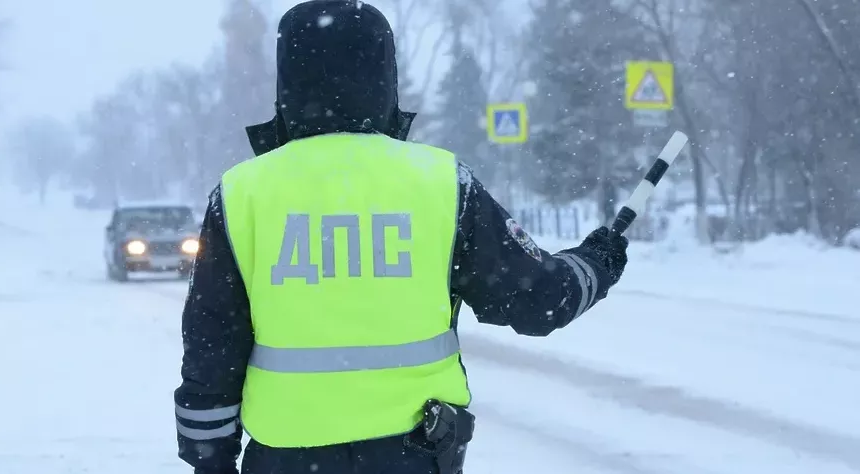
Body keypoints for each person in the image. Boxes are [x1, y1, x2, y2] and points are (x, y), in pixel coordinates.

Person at [173, 1, 629, 473]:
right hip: (414, 453)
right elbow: (539, 300)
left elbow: (211, 343)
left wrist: (211, 457)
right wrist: (597, 259)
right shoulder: (443, 182)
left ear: (286, 80)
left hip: (285, 458)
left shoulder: (240, 193)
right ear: (385, 76)